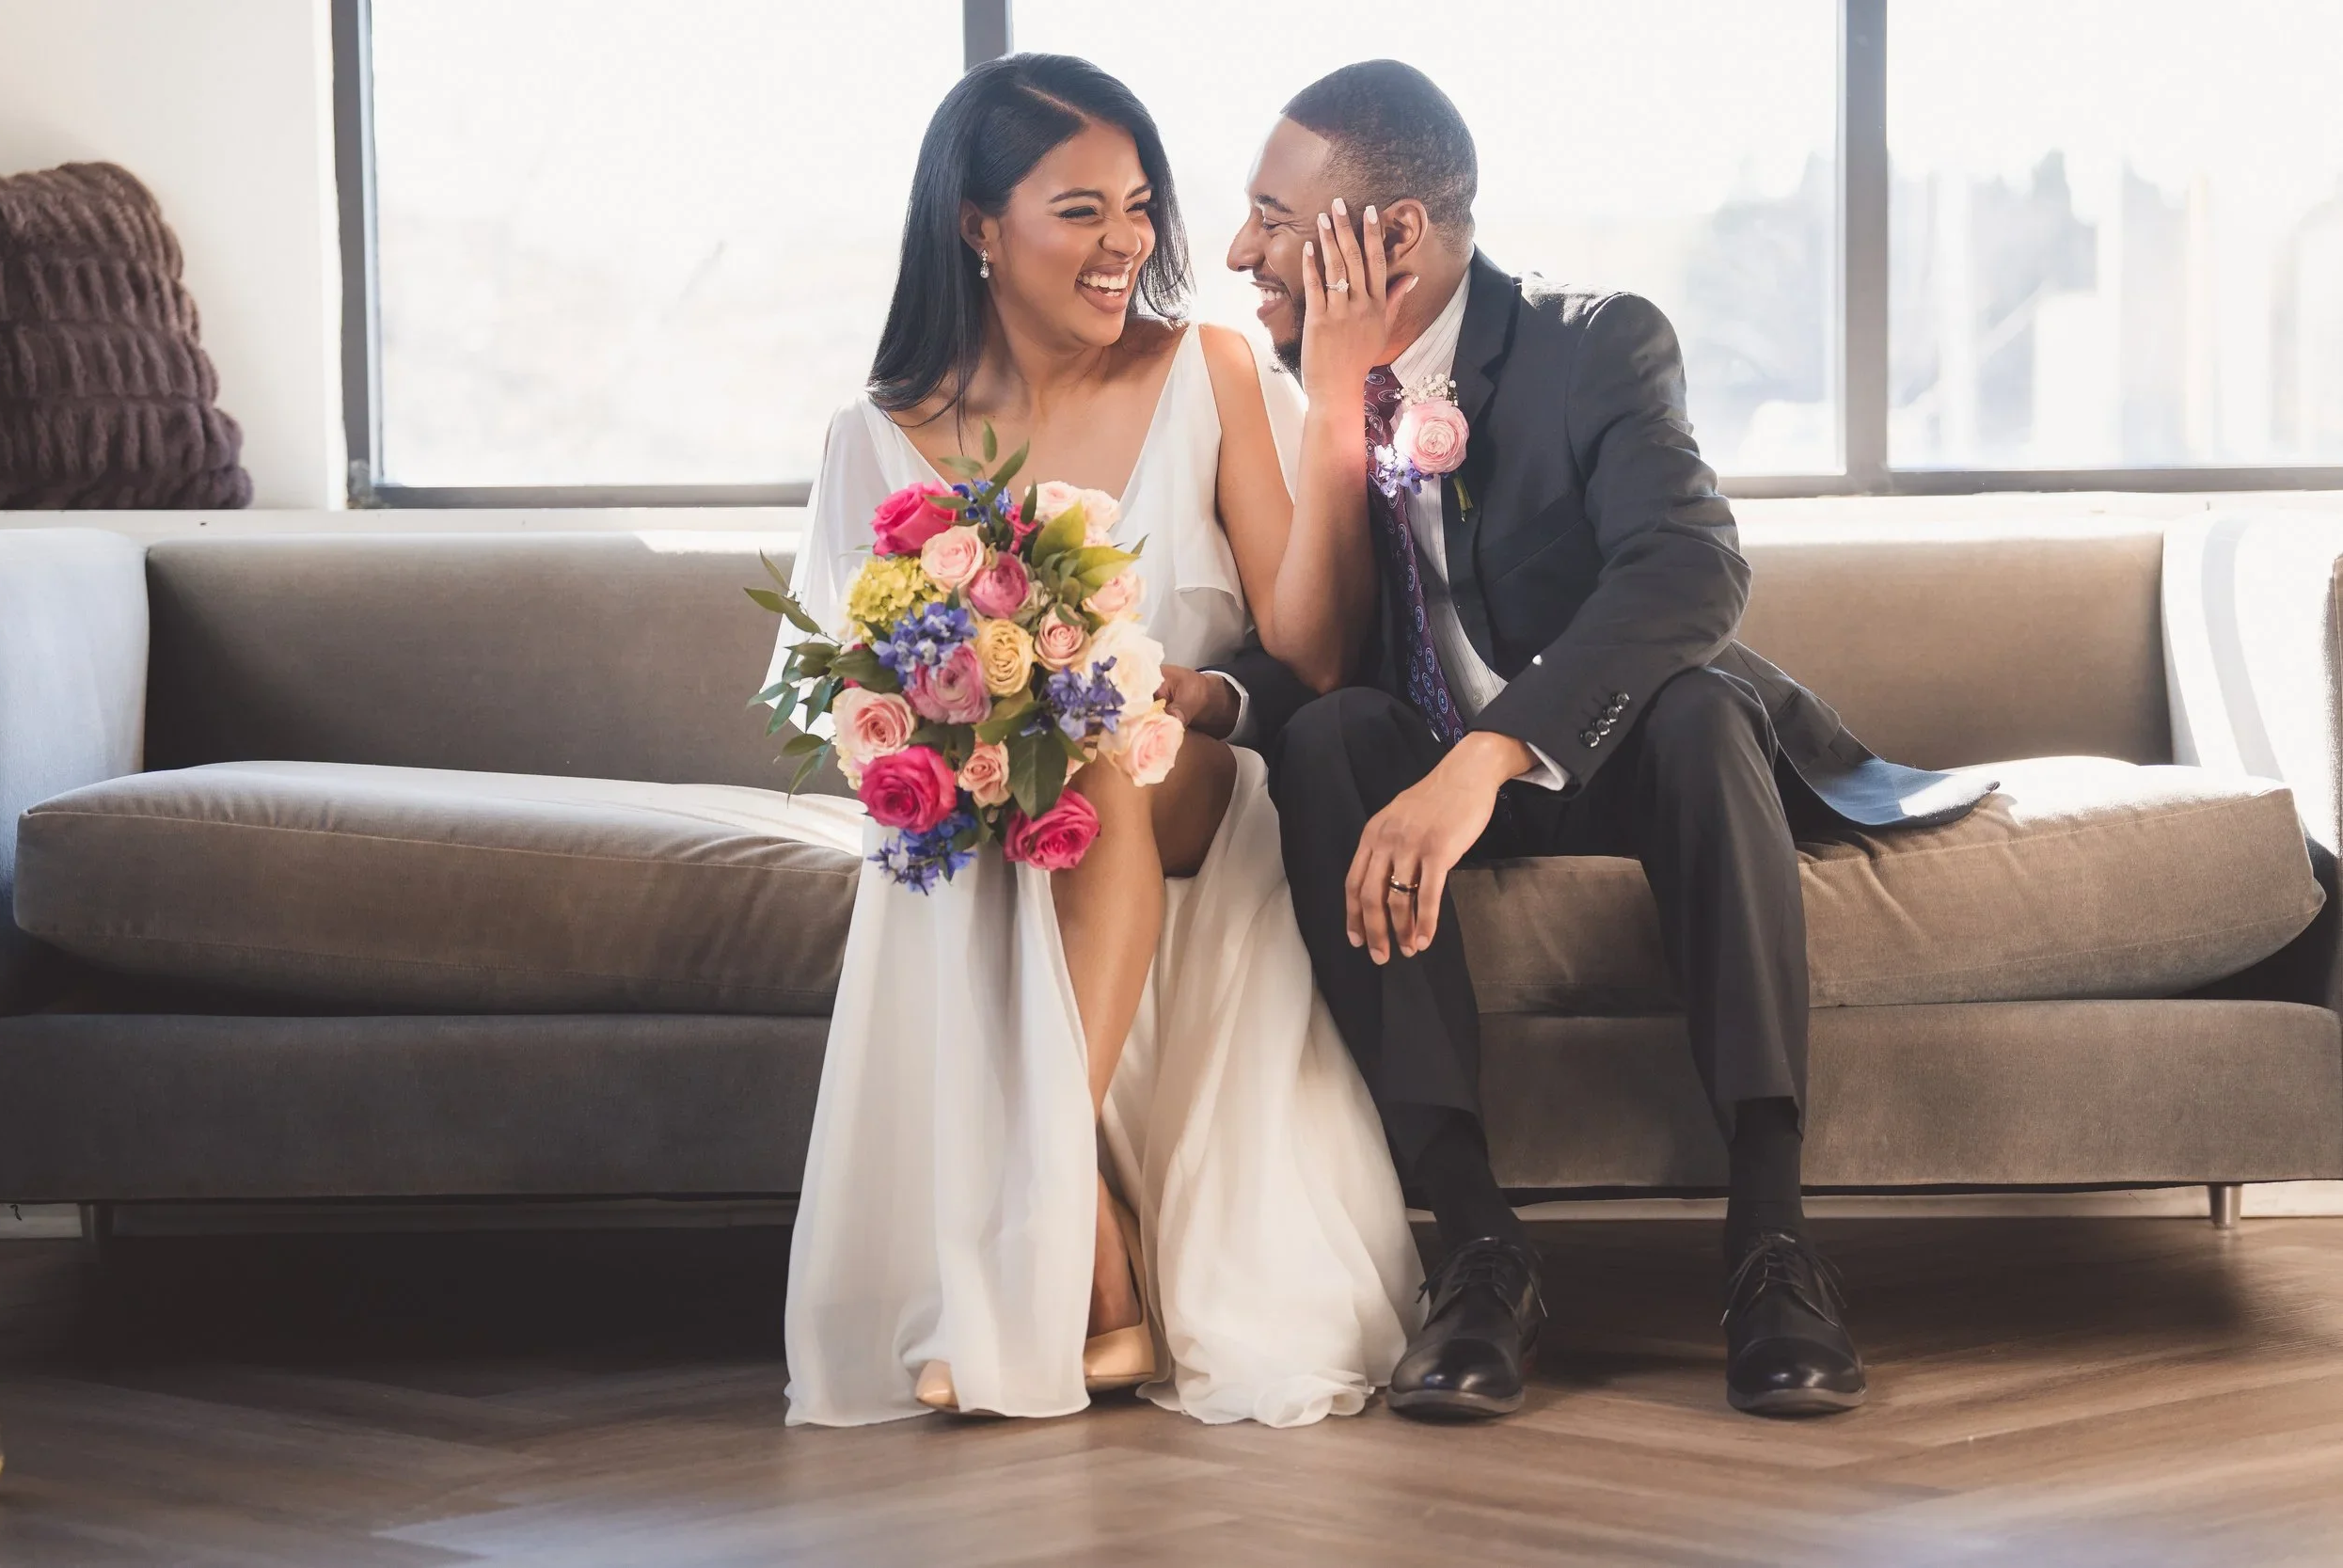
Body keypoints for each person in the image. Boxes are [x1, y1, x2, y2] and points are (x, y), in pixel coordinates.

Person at [1219, 60, 1995, 1420]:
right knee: (1332, 738)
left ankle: (1770, 1242)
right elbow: (1312, 652)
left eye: (1272, 217)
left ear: (1391, 237)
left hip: (1606, 756)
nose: (1241, 251)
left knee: (1702, 708)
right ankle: (1476, 1246)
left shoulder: (1594, 345)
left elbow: (1689, 570)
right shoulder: (1295, 383)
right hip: (1420, 755)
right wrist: (1191, 691)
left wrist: (1489, 756)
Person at [779, 54, 1426, 1428]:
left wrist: (1340, 394)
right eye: (1080, 210)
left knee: (1091, 750)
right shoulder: (874, 437)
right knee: (1021, 780)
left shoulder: (1210, 368)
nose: (1125, 240)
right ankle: (1098, 1267)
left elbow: (1309, 650)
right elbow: (828, 696)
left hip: (1189, 779)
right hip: (991, 815)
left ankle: (1044, 1207)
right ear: (976, 225)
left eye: (1138, 205)